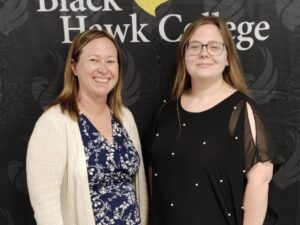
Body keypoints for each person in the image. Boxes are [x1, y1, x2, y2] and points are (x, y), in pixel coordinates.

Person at [148, 16, 274, 225]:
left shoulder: (242, 110)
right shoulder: (167, 111)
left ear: (227, 58)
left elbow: (260, 181)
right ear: (184, 56)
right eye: (195, 46)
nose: (204, 53)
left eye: (214, 46)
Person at [26, 29, 148, 225]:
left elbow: (137, 189)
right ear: (74, 67)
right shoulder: (54, 123)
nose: (103, 69)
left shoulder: (124, 117)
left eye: (110, 61)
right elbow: (45, 205)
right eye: (94, 60)